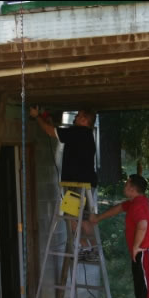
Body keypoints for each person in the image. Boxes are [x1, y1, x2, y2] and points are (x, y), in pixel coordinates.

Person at [30, 106, 98, 259]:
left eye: (78, 115)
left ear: (84, 120)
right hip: (88, 183)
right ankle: (93, 249)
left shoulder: (77, 132)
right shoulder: (86, 134)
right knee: (85, 218)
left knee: (71, 217)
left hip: (77, 184)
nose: (75, 117)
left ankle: (84, 248)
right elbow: (55, 130)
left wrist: (36, 116)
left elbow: (50, 132)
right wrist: (46, 119)